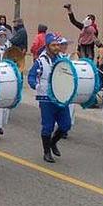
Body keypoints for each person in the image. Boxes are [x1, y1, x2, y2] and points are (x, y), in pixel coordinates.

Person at [28, 33, 71, 163]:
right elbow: (31, 77)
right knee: (48, 126)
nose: (57, 47)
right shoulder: (40, 62)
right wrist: (36, 85)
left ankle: (53, 142)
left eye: (57, 44)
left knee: (66, 125)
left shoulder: (63, 60)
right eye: (53, 45)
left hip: (61, 97)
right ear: (47, 46)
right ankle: (46, 152)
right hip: (46, 98)